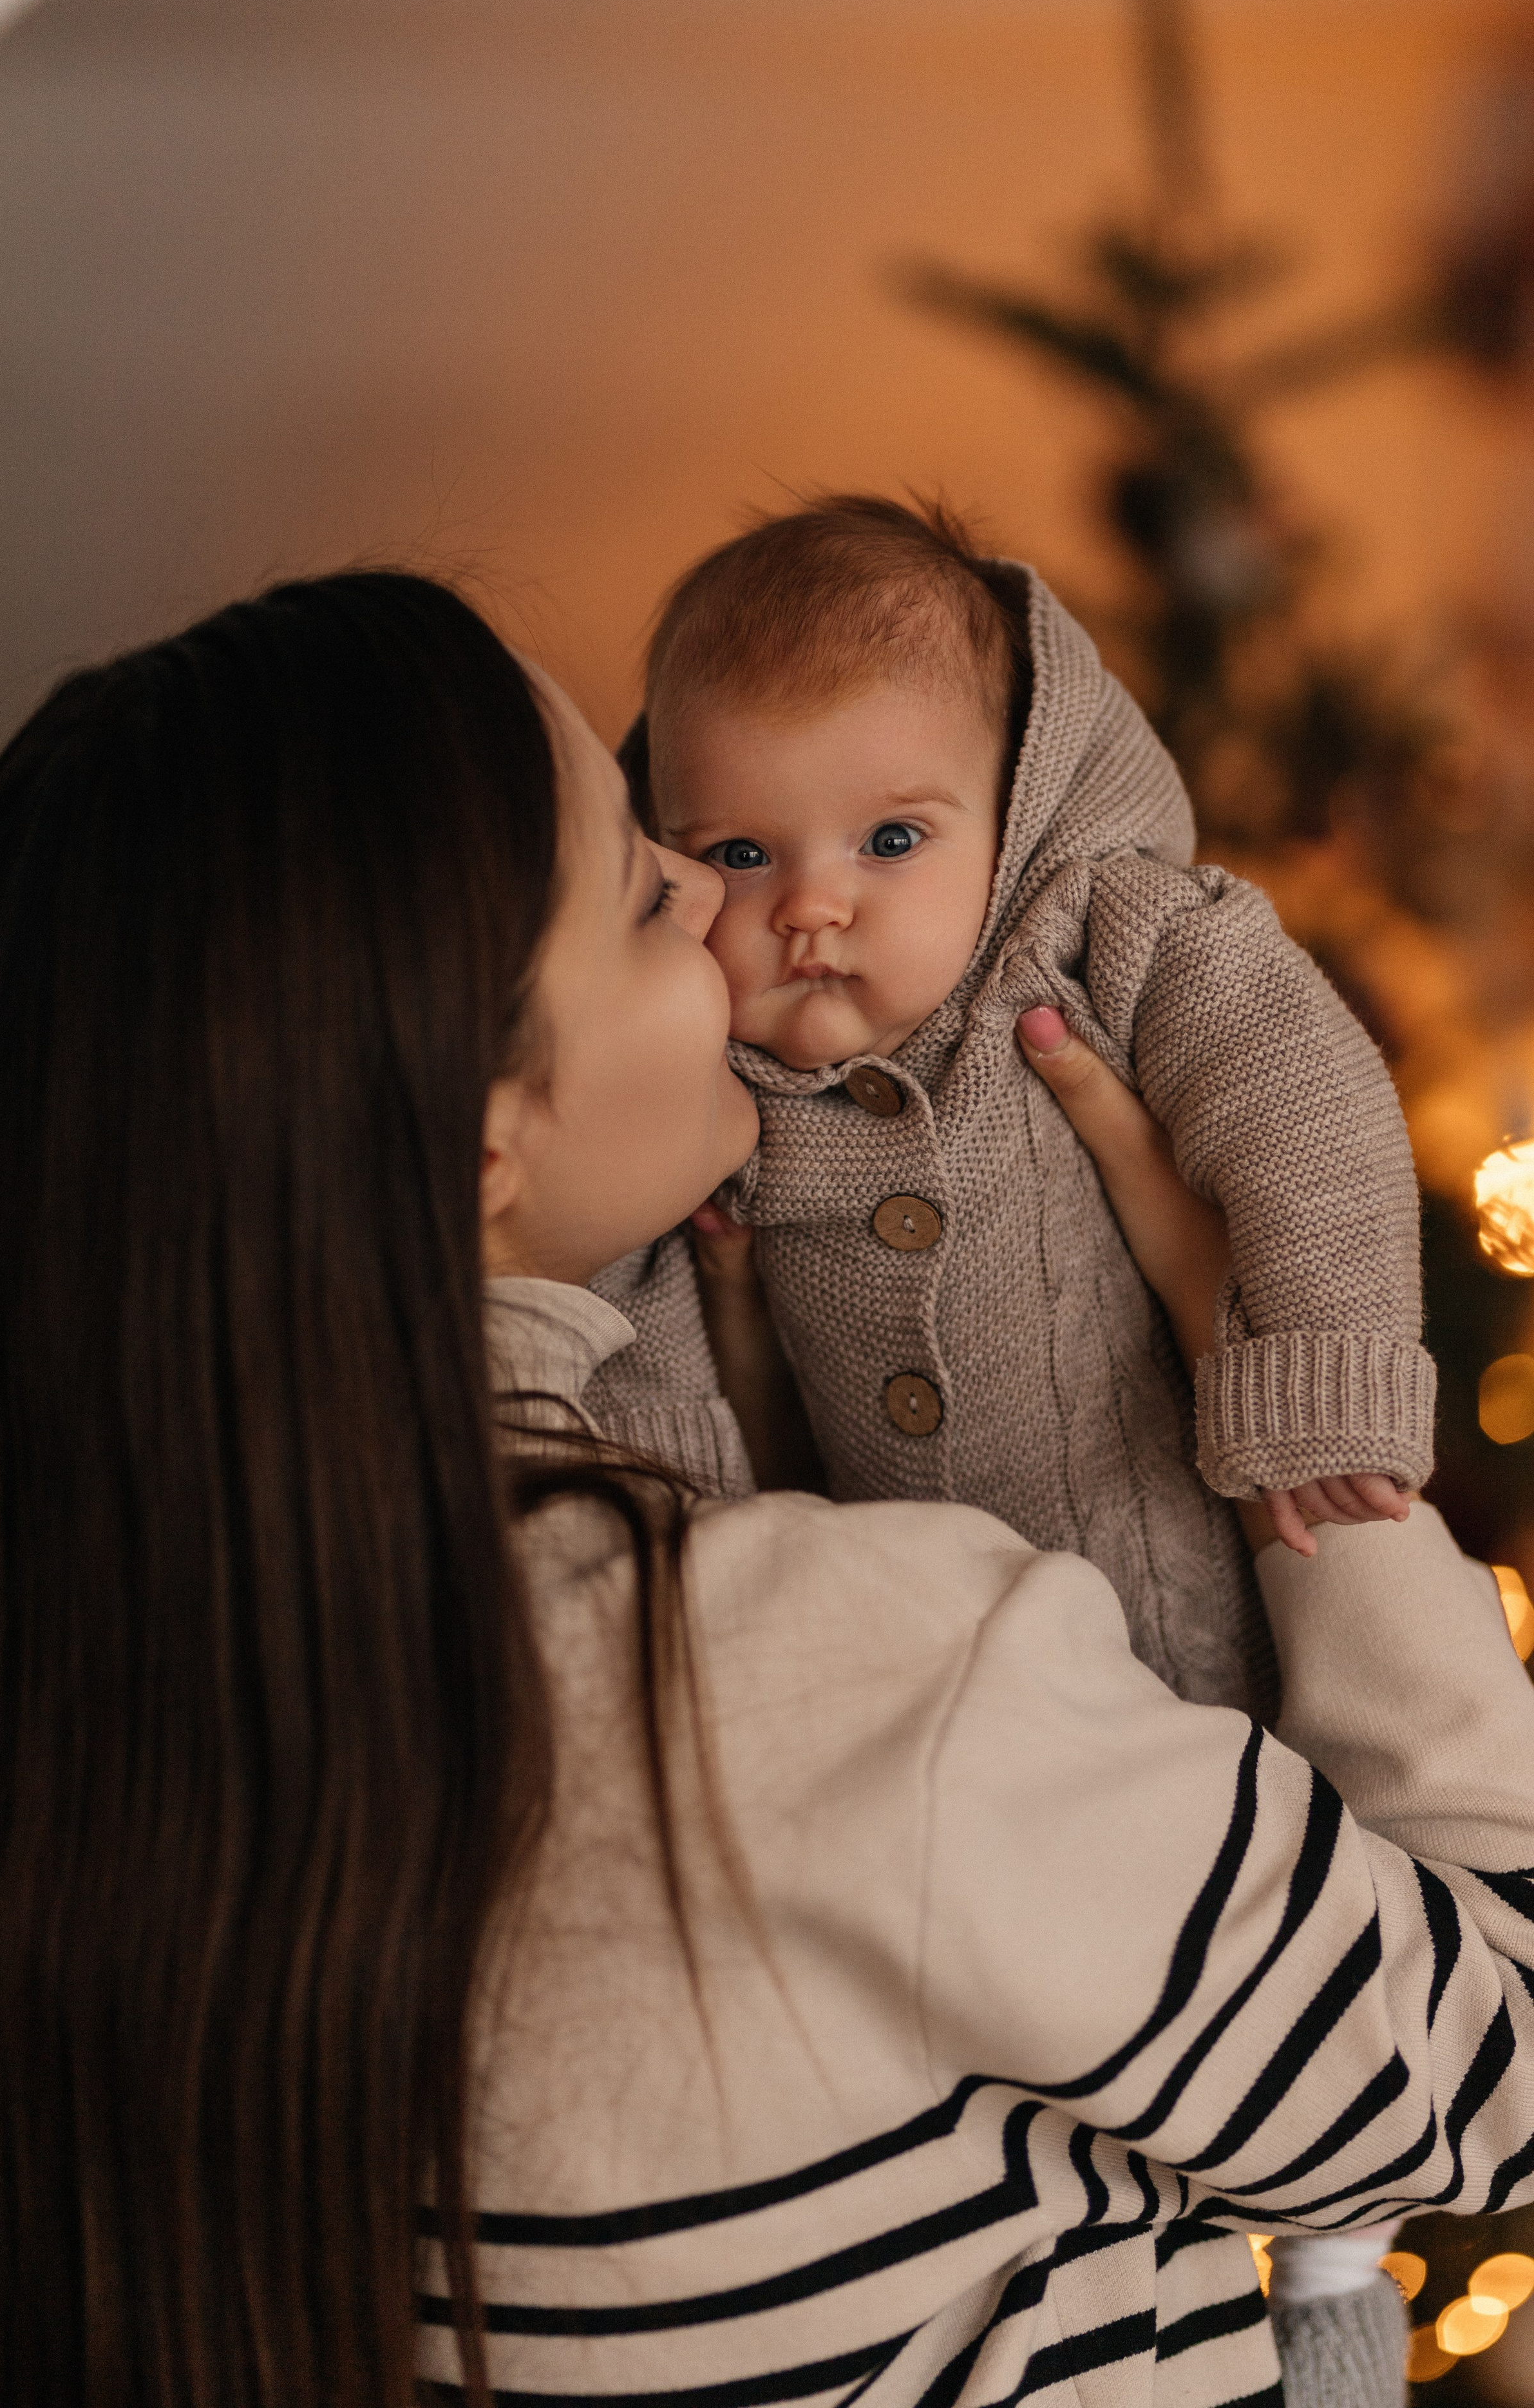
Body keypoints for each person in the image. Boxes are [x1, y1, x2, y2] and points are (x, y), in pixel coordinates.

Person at [0, 569, 1534, 2408]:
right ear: (479, 1129)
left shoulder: (100, 1755)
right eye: (635, 874)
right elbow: (1496, 2071)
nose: (719, 895)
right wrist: (1275, 1407)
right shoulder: (826, 1683)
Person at [596, 495, 1432, 1730]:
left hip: (1225, 1652)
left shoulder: (1098, 935)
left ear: (1019, 808)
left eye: (889, 837)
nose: (811, 907)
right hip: (923, 1704)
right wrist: (695, 1556)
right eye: (740, 854)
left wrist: (1318, 1367)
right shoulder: (698, 1078)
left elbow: (1303, 1107)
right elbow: (632, 1312)